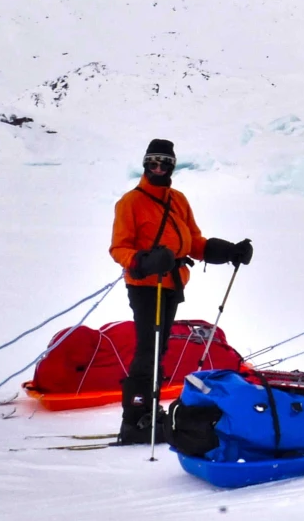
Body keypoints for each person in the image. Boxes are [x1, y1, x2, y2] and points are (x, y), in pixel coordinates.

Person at [108, 139, 252, 444]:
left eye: (164, 162)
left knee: (159, 350)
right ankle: (134, 420)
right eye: (153, 162)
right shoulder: (130, 202)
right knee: (149, 349)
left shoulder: (178, 200)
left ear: (172, 165)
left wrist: (228, 251)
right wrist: (143, 260)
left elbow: (194, 242)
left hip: (172, 283)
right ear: (145, 165)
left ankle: (149, 412)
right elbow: (119, 247)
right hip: (146, 286)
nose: (158, 167)